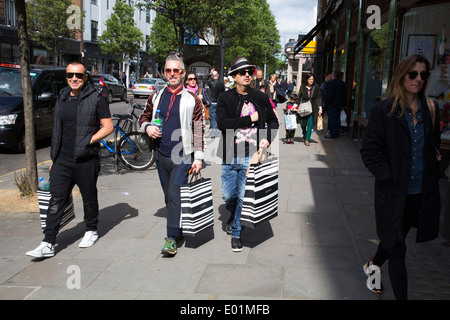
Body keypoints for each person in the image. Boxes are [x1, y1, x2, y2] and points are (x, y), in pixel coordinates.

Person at [360, 54, 441, 300]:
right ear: (402, 75)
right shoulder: (383, 111)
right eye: (413, 74)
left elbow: (433, 145)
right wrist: (389, 176)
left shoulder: (429, 109)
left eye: (423, 74)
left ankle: (371, 266)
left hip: (418, 193)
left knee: (392, 240)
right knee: (397, 248)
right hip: (392, 193)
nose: (418, 79)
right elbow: (369, 151)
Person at [26, 61, 114, 258]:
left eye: (78, 75)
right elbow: (58, 129)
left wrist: (88, 140)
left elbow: (108, 128)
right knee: (55, 199)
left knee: (89, 196)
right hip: (62, 160)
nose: (74, 79)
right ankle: (48, 242)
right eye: (70, 75)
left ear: (85, 77)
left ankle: (91, 230)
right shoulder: (63, 96)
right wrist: (54, 157)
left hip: (86, 159)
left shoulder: (96, 98)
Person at [139, 54, 204, 256]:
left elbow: (199, 128)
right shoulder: (156, 96)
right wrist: (147, 127)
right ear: (164, 72)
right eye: (169, 70)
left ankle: (171, 238)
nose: (172, 74)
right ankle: (179, 228)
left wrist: (199, 157)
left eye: (176, 70)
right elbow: (144, 117)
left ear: (183, 73)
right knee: (169, 196)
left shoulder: (192, 99)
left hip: (182, 155)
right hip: (161, 153)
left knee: (175, 194)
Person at [216, 56, 279, 252]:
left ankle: (236, 233)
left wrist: (267, 138)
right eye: (242, 72)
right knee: (228, 195)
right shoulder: (225, 98)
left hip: (251, 155)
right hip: (228, 152)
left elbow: (274, 122)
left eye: (249, 72)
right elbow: (222, 124)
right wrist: (249, 118)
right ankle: (233, 212)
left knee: (244, 196)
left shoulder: (260, 97)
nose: (247, 75)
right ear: (233, 76)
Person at [295, 74, 322, 146]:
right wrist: (295, 105)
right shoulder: (303, 87)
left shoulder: (316, 87)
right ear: (307, 80)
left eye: (312, 79)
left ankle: (307, 139)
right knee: (302, 124)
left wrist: (320, 108)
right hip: (304, 107)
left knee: (310, 124)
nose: (311, 81)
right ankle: (304, 132)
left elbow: (318, 98)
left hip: (313, 108)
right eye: (310, 79)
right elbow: (299, 97)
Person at [204, 68, 225, 138]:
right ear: (218, 75)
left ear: (212, 76)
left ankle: (213, 132)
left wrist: (209, 74)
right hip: (219, 102)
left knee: (212, 117)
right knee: (218, 117)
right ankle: (217, 131)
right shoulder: (221, 84)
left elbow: (205, 80)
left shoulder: (211, 83)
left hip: (212, 102)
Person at [324, 71, 346, 138]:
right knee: (337, 118)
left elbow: (329, 95)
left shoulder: (332, 83)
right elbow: (344, 95)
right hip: (339, 104)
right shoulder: (342, 84)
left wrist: (326, 103)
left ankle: (332, 133)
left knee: (332, 118)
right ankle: (336, 132)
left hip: (332, 103)